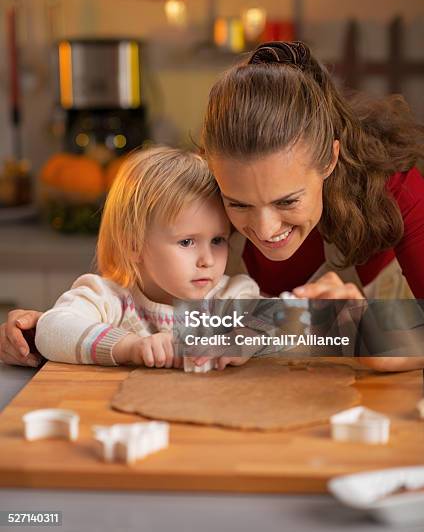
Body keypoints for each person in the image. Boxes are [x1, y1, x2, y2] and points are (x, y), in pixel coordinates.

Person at [2, 40, 424, 371]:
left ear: (330, 159)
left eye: (287, 200)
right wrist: (56, 332)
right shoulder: (203, 198)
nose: (263, 228)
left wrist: (367, 325)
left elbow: (282, 329)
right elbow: (195, 325)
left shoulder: (396, 191)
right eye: (237, 203)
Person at [26, 146, 270, 370]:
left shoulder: (228, 297)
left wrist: (246, 337)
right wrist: (129, 347)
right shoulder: (110, 298)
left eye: (218, 240)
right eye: (187, 242)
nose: (207, 260)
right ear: (133, 244)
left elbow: (291, 322)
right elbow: (50, 330)